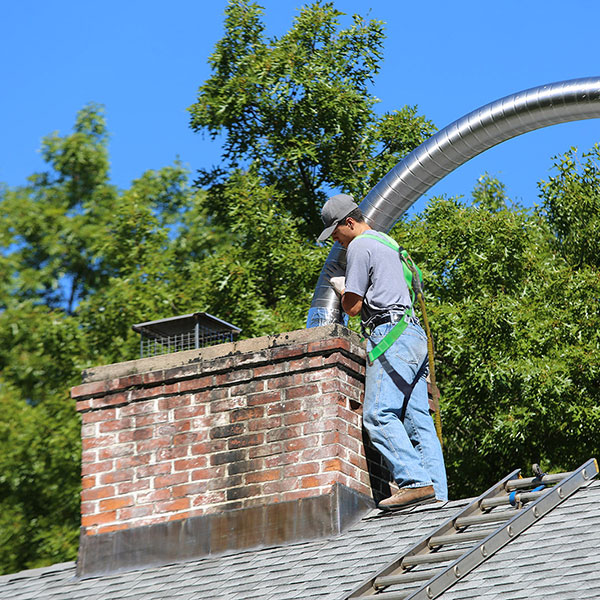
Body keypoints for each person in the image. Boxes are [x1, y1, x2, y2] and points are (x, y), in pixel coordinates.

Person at [318, 193, 448, 510]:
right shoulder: (388, 243)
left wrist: (342, 287)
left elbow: (354, 305)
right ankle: (439, 497)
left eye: (336, 232)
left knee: (378, 414)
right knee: (418, 420)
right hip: (412, 334)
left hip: (390, 333)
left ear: (349, 222)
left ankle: (414, 482)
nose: (336, 240)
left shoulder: (361, 246)